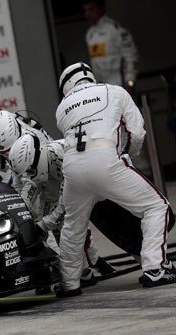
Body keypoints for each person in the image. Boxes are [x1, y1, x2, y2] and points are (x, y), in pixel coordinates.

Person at [55, 62, 173, 296]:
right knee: (156, 206)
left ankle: (69, 283)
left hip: (71, 168)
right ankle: (155, 268)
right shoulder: (115, 91)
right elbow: (137, 132)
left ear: (66, 85)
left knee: (73, 226)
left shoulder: (62, 107)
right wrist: (127, 154)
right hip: (106, 160)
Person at [8, 134, 115, 282]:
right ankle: (83, 273)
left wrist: (43, 225)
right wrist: (18, 210)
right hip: (52, 184)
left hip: (83, 182)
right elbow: (31, 186)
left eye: (30, 171)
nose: (29, 176)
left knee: (72, 227)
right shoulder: (36, 164)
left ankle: (94, 263)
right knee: (54, 230)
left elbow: (68, 206)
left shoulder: (64, 159)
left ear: (38, 158)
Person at [0, 110, 52, 187]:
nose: (5, 154)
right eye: (1, 152)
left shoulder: (34, 140)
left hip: (47, 170)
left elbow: (26, 177)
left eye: (8, 150)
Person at [83, 0, 138, 94]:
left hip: (119, 86)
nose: (88, 14)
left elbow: (131, 56)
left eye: (92, 9)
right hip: (101, 89)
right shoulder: (90, 34)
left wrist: (130, 82)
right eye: (86, 10)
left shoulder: (115, 28)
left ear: (102, 9)